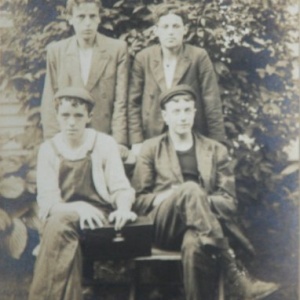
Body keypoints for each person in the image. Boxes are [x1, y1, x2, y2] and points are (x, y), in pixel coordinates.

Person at [131, 84, 279, 300]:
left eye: (187, 110)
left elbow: (229, 203)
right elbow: (138, 201)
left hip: (201, 230)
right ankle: (234, 274)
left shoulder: (215, 150)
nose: (182, 117)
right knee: (190, 189)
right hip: (163, 227)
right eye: (176, 111)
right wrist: (173, 196)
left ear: (194, 112)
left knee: (194, 244)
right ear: (165, 116)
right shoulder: (151, 149)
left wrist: (196, 200)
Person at [29, 87, 136, 300]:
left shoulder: (104, 144)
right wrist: (77, 207)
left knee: (59, 227)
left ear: (89, 117)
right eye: (65, 115)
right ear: (57, 116)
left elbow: (120, 188)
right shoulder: (48, 149)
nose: (71, 122)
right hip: (63, 222)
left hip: (98, 224)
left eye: (78, 116)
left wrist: (123, 208)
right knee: (63, 230)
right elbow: (48, 202)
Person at [128, 3, 226, 157]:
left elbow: (211, 101)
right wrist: (136, 141)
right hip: (152, 136)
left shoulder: (198, 57)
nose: (171, 32)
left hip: (190, 135)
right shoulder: (144, 58)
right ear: (156, 31)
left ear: (184, 30)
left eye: (175, 26)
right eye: (165, 27)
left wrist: (217, 143)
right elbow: (133, 103)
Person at [41, 0, 129, 158]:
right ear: (70, 18)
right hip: (69, 138)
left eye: (92, 16)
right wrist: (53, 142)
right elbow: (50, 100)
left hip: (104, 136)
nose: (87, 23)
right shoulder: (56, 51)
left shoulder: (117, 49)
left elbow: (120, 100)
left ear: (99, 18)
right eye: (81, 17)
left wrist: (119, 141)